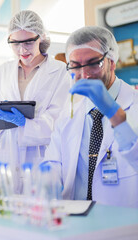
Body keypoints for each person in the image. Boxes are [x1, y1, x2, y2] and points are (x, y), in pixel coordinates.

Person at [42, 26, 138, 208]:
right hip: (77, 224)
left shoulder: (134, 105)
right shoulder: (68, 115)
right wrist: (45, 180)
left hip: (124, 225)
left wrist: (115, 116)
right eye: (75, 66)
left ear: (111, 62)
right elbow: (54, 163)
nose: (84, 75)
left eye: (94, 63)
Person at [0, 10, 70, 193]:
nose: (22, 50)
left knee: (39, 211)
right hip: (6, 155)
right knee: (2, 213)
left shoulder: (61, 71)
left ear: (41, 38)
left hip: (41, 156)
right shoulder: (2, 71)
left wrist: (24, 123)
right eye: (15, 43)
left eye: (28, 42)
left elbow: (60, 119)